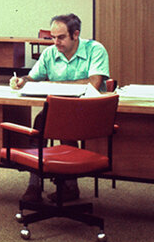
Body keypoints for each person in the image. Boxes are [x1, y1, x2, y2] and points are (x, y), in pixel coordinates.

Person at [10, 13, 110, 204]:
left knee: (61, 123)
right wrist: (22, 81)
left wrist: (52, 84)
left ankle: (70, 187)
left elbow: (94, 83)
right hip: (59, 110)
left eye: (61, 37)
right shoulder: (50, 53)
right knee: (40, 122)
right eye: (52, 37)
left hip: (89, 110)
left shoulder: (95, 49)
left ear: (75, 34)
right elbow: (34, 77)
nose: (55, 42)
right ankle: (34, 184)